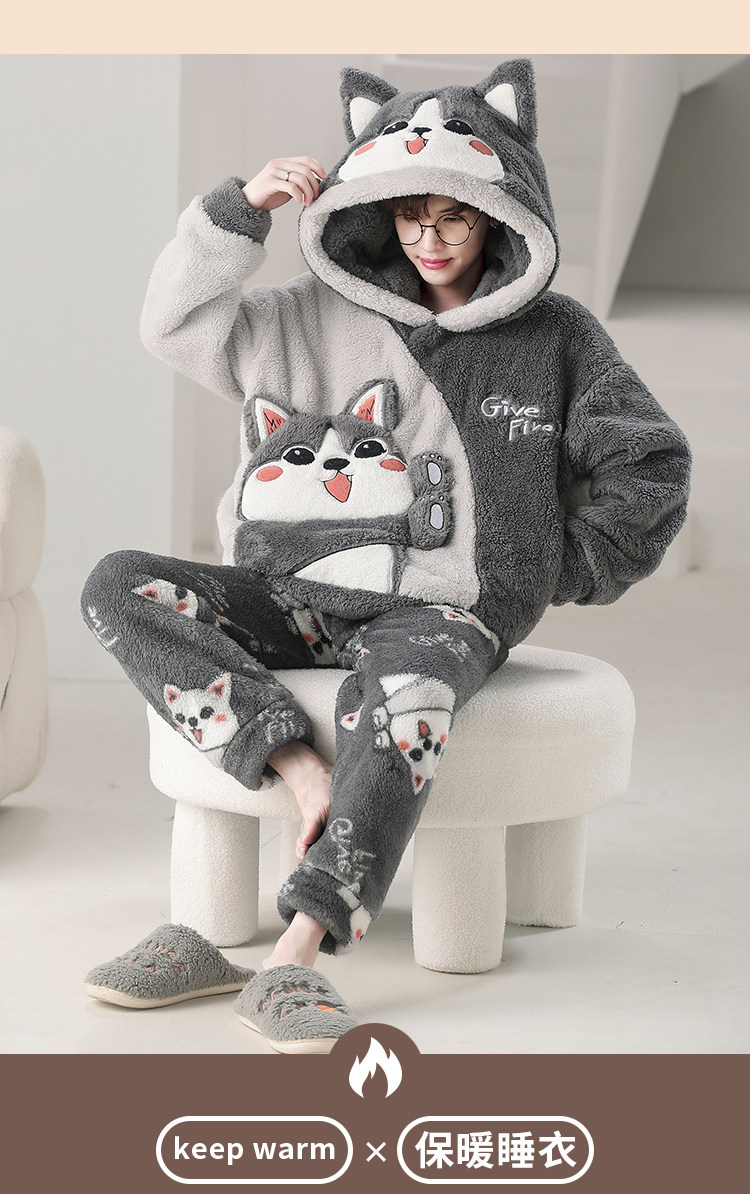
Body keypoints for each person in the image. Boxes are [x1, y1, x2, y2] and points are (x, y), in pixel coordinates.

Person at [80, 59, 691, 1053]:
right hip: (293, 596)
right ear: (379, 212)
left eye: (454, 216)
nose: (432, 238)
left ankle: (297, 953)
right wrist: (241, 210)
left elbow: (650, 465)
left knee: (410, 699)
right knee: (118, 583)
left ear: (499, 214)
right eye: (410, 216)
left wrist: (548, 565)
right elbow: (172, 325)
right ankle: (298, 769)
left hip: (440, 611)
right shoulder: (304, 317)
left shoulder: (555, 337)